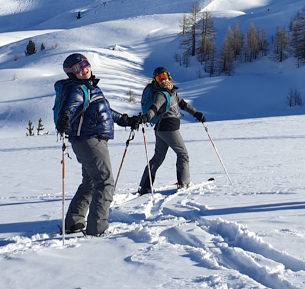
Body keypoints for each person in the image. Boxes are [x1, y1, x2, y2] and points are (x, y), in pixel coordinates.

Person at [56, 53, 138, 236]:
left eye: (85, 64)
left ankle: (74, 222)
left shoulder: (90, 88)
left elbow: (105, 110)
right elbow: (69, 106)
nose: (84, 69)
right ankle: (97, 229)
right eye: (78, 68)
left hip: (90, 140)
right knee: (105, 182)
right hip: (89, 140)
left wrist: (125, 120)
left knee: (91, 182)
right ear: (71, 73)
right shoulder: (76, 89)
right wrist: (64, 119)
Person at [137, 67, 206, 195]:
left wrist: (197, 113)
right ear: (156, 81)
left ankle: (144, 186)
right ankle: (184, 183)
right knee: (183, 154)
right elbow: (154, 108)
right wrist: (147, 117)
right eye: (159, 78)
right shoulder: (160, 94)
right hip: (168, 128)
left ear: (169, 76)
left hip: (161, 129)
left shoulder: (171, 92)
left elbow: (184, 105)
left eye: (164, 77)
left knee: (158, 158)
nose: (163, 80)